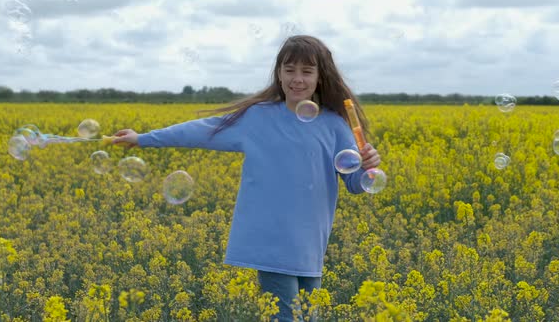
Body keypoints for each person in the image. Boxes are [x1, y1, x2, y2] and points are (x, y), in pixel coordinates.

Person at [112, 35, 381, 321]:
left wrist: (367, 167)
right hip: (271, 242)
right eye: (289, 70)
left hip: (309, 246)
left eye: (307, 71)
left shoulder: (335, 125)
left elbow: (354, 184)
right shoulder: (257, 117)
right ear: (278, 73)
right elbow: (203, 130)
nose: (297, 79)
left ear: (320, 76)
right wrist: (143, 139)